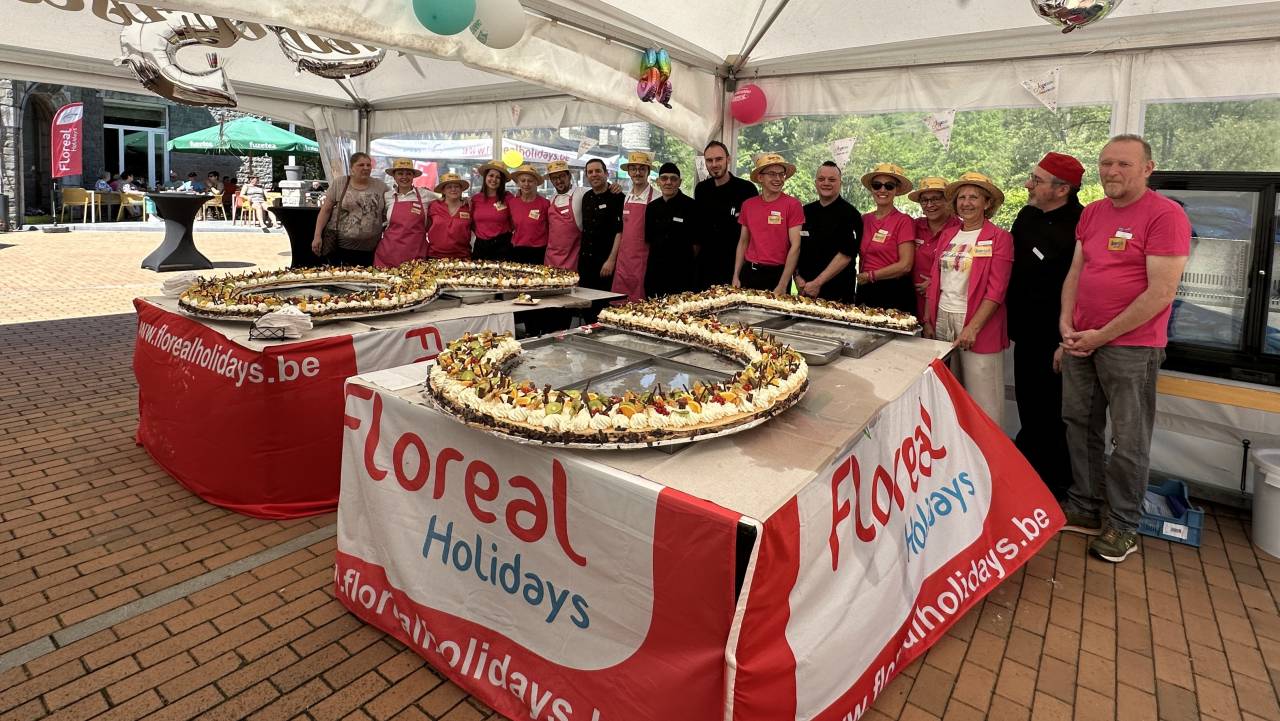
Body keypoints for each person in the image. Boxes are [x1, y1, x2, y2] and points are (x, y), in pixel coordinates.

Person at [1059, 135, 1191, 563]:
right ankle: (1085, 504)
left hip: (1132, 347)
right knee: (1080, 423)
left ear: (1148, 168)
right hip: (1082, 341)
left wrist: (1101, 335)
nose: (1111, 172)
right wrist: (1066, 324)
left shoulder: (1166, 215)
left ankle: (1123, 525)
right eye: (1105, 163)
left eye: (1123, 164)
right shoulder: (1093, 213)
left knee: (1129, 439)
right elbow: (1077, 272)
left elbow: (1161, 293)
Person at [1007, 152, 1085, 500]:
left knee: (1054, 413)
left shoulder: (1082, 226)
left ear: (1062, 189)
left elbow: (1085, 288)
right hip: (1024, 332)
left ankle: (1054, 486)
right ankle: (1028, 476)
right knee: (1029, 405)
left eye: (1036, 180)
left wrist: (1065, 341)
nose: (1028, 184)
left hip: (1057, 339)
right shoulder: (1026, 217)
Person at [923, 171, 1013, 425]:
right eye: (961, 197)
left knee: (984, 400)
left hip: (977, 322)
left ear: (987, 203)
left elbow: (996, 290)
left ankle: (990, 457)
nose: (966, 202)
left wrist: (973, 327)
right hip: (943, 317)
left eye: (974, 196)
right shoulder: (948, 235)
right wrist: (929, 320)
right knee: (948, 392)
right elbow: (935, 279)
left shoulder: (999, 238)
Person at [733, 153, 803, 293]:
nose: (778, 179)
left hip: (778, 275)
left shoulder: (793, 205)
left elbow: (796, 246)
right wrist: (736, 275)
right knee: (747, 315)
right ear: (760, 177)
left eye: (781, 174)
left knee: (777, 315)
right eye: (772, 174)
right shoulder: (748, 205)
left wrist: (783, 284)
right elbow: (743, 242)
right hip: (750, 273)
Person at [695, 140, 757, 289]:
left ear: (728, 159)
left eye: (719, 159)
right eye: (709, 160)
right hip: (706, 269)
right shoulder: (701, 189)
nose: (714, 164)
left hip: (735, 269)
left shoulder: (746, 190)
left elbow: (752, 234)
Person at [796, 161, 861, 302]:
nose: (826, 183)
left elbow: (846, 254)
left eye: (832, 180)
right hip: (804, 291)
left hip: (838, 294)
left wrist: (817, 283)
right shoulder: (805, 211)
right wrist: (797, 276)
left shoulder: (850, 214)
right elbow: (794, 246)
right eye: (821, 179)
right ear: (815, 182)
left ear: (840, 183)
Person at [857, 163, 917, 313]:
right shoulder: (864, 219)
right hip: (866, 288)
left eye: (889, 186)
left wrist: (871, 276)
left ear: (896, 190)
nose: (882, 190)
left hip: (893, 290)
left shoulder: (904, 221)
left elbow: (905, 265)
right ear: (872, 188)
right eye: (877, 185)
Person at [311, 152, 388, 266]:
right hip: (341, 247)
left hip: (371, 249)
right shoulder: (340, 183)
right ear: (352, 168)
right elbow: (325, 210)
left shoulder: (381, 187)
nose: (366, 168)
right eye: (361, 165)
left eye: (368, 165)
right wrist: (317, 236)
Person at [643, 162, 698, 297]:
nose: (668, 182)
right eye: (664, 178)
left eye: (673, 179)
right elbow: (649, 240)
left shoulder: (692, 206)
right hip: (655, 274)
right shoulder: (651, 208)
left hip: (682, 275)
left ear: (679, 182)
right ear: (658, 182)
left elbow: (697, 244)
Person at [909, 177, 960, 319]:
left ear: (948, 201)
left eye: (936, 199)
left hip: (945, 301)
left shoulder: (960, 229)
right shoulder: (913, 225)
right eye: (924, 200)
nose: (930, 204)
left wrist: (936, 282)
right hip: (911, 300)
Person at [611, 151, 658, 302]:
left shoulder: (656, 197)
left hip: (643, 263)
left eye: (642, 169)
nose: (638, 173)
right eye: (634, 169)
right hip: (624, 263)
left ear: (648, 171)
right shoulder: (626, 197)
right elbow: (622, 231)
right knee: (619, 308)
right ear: (629, 172)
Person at [373, 158, 435, 268]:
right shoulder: (387, 196)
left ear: (413, 176)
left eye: (408, 174)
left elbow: (446, 198)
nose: (404, 177)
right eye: (400, 173)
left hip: (416, 254)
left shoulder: (425, 195)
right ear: (394, 176)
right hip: (388, 254)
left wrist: (465, 200)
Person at [579, 158, 623, 293]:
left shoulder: (618, 197)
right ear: (586, 176)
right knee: (586, 304)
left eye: (598, 171)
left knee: (603, 304)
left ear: (606, 173)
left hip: (606, 262)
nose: (594, 174)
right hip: (586, 262)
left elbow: (620, 231)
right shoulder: (586, 197)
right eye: (590, 172)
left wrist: (611, 260)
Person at [544, 160, 589, 272]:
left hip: (572, 258)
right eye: (554, 178)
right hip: (551, 257)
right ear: (551, 180)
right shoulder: (551, 200)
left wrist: (612, 186)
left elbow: (601, 191)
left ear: (569, 176)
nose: (558, 181)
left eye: (561, 176)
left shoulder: (582, 193)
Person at [470, 160, 514, 261]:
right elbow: (471, 223)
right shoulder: (475, 199)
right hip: (480, 246)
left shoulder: (508, 198)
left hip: (503, 246)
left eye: (498, 177)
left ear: (502, 181)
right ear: (485, 177)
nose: (494, 179)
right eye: (491, 175)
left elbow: (514, 222)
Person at [507, 164, 550, 265]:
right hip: (517, 250)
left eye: (530, 181)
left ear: (536, 183)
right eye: (523, 181)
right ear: (518, 183)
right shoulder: (512, 203)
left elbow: (550, 228)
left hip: (539, 251)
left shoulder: (545, 204)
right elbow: (510, 225)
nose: (526, 184)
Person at [427, 173, 473, 259]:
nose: (453, 189)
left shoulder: (469, 207)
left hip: (462, 258)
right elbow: (426, 226)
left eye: (456, 186)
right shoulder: (434, 206)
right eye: (449, 187)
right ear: (443, 191)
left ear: (461, 189)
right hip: (435, 256)